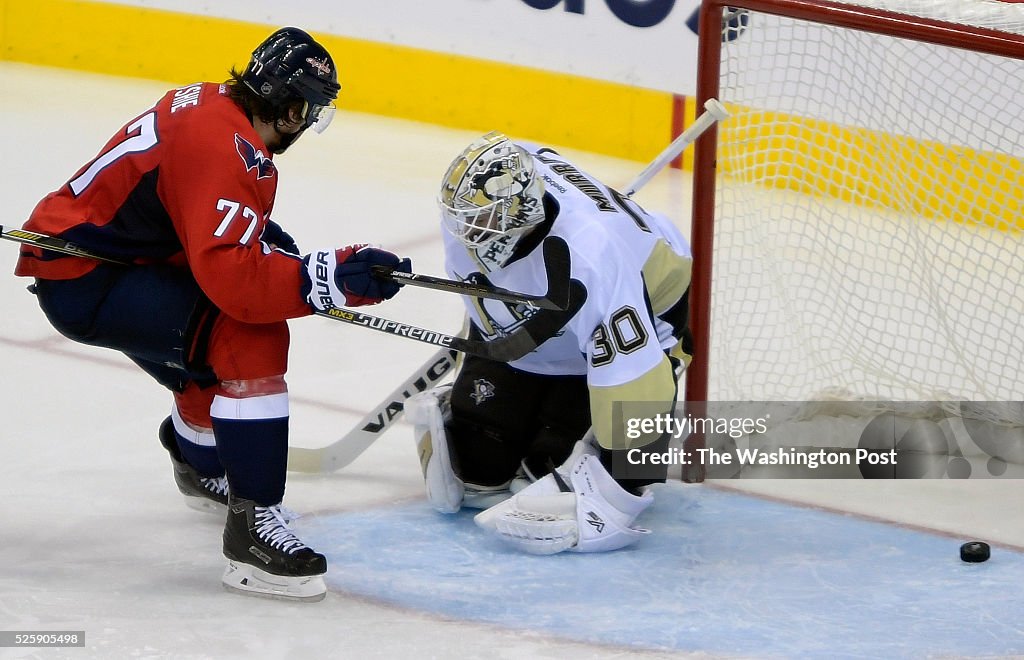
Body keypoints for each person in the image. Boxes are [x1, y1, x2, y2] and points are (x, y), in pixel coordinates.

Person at [14, 27, 411, 601]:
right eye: (311, 110)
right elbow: (238, 287)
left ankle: (199, 462)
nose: (309, 124)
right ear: (294, 107)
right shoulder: (223, 147)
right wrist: (326, 278)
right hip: (91, 278)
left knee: (209, 354)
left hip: (113, 263)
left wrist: (283, 254)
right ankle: (253, 536)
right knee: (249, 337)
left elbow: (196, 210)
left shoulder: (213, 106)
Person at [407, 131, 691, 555]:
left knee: (544, 471)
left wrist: (620, 493)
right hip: (535, 323)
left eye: (479, 222)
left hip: (643, 305)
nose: (466, 232)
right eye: (461, 218)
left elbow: (637, 379)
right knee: (477, 472)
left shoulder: (595, 256)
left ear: (520, 213)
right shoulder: (483, 203)